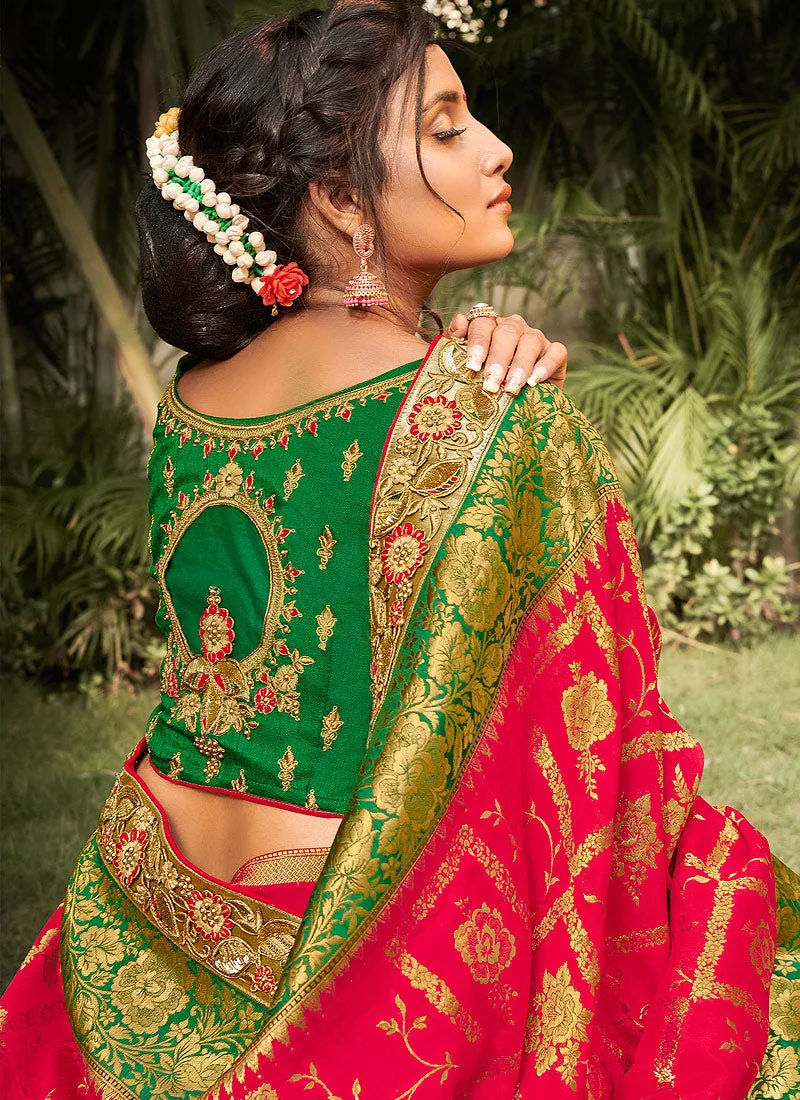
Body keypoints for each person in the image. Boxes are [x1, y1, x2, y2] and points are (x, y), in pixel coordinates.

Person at [1, 2, 797, 1098]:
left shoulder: (189, 406)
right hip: (370, 959)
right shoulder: (494, 414)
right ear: (335, 198)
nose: (495, 149)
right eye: (444, 126)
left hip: (153, 907)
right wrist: (492, 411)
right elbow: (596, 750)